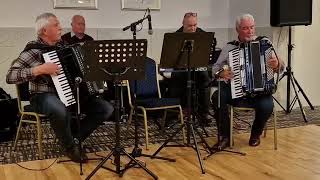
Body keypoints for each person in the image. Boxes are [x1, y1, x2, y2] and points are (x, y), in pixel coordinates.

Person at [6, 13, 114, 162]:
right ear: (44, 30)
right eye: (56, 25)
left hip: (70, 94)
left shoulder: (65, 47)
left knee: (106, 108)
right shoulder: (33, 51)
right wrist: (40, 69)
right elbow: (10, 76)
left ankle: (72, 137)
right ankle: (70, 147)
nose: (60, 28)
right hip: (42, 96)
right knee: (58, 108)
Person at [211, 14, 284, 148]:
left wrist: (277, 65)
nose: (250, 31)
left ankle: (255, 134)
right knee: (217, 96)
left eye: (252, 27)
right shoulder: (230, 47)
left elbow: (281, 65)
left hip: (260, 92)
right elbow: (215, 68)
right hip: (236, 90)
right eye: (245, 28)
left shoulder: (265, 43)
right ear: (237, 29)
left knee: (267, 106)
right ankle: (225, 137)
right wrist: (221, 73)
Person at [167, 12, 211, 125]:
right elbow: (170, 58)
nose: (193, 28)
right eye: (190, 26)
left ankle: (203, 113)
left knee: (205, 78)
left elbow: (206, 55)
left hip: (197, 67)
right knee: (176, 79)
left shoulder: (202, 34)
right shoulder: (175, 36)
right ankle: (174, 113)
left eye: (195, 25)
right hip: (180, 68)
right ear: (183, 24)